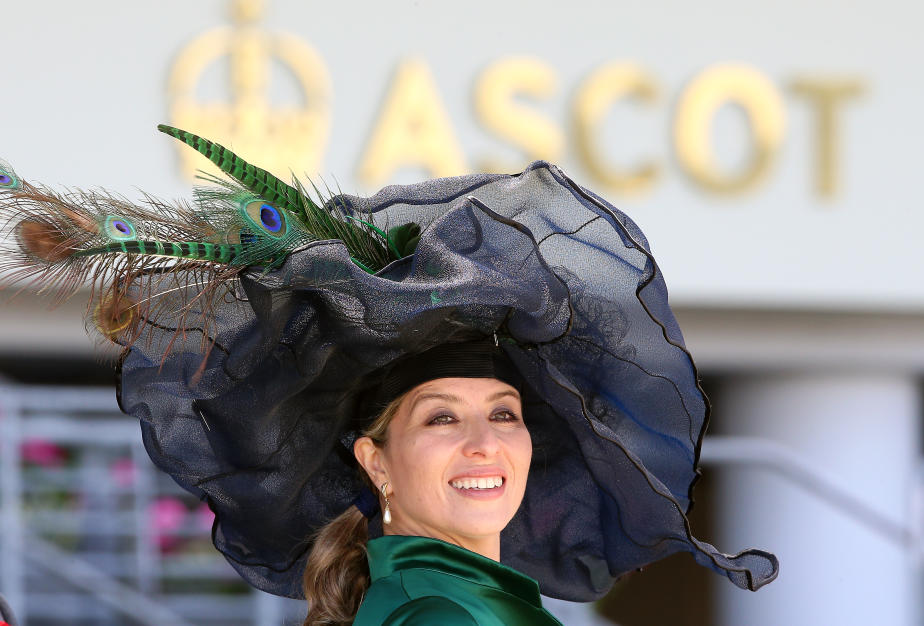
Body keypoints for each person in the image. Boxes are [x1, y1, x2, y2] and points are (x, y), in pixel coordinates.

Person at [0, 127, 778, 625]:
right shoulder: (444, 615)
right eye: (441, 418)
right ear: (376, 462)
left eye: (504, 413)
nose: (485, 443)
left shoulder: (448, 602)